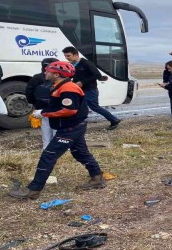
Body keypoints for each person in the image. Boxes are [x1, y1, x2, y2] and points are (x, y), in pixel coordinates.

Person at [9, 61, 106, 199]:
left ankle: (33, 190)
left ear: (57, 74)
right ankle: (97, 178)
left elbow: (69, 109)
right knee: (80, 153)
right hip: (74, 126)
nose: (45, 72)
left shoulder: (68, 88)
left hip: (70, 128)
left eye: (47, 71)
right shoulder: (61, 86)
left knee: (48, 156)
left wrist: (44, 113)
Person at [62, 46, 121, 130]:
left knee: (94, 107)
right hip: (79, 90)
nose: (67, 58)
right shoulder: (71, 65)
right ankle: (76, 124)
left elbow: (97, 75)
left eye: (68, 56)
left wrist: (82, 82)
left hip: (90, 90)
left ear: (75, 55)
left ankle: (114, 119)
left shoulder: (86, 63)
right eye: (65, 56)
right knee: (77, 106)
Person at [25, 57, 59, 148]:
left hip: (42, 107)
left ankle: (46, 147)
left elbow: (29, 92)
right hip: (56, 108)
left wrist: (35, 104)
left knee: (45, 127)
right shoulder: (58, 77)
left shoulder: (36, 77)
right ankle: (58, 146)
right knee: (57, 127)